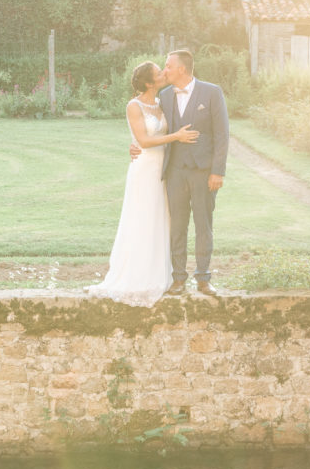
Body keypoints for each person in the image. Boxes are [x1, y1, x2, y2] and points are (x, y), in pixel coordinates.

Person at [88, 61, 198, 306]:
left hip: (165, 167)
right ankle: (137, 277)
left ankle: (160, 274)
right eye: (159, 73)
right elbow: (144, 140)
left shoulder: (163, 102)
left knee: (162, 218)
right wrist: (177, 136)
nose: (163, 74)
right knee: (142, 218)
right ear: (149, 82)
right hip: (145, 167)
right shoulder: (134, 106)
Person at [156, 49, 229, 296]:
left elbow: (222, 134)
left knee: (203, 225)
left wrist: (217, 171)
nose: (164, 70)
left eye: (168, 66)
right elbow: (155, 129)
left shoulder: (211, 92)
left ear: (182, 69)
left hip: (203, 171)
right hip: (175, 171)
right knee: (177, 226)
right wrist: (138, 144)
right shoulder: (164, 96)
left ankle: (203, 278)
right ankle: (178, 279)